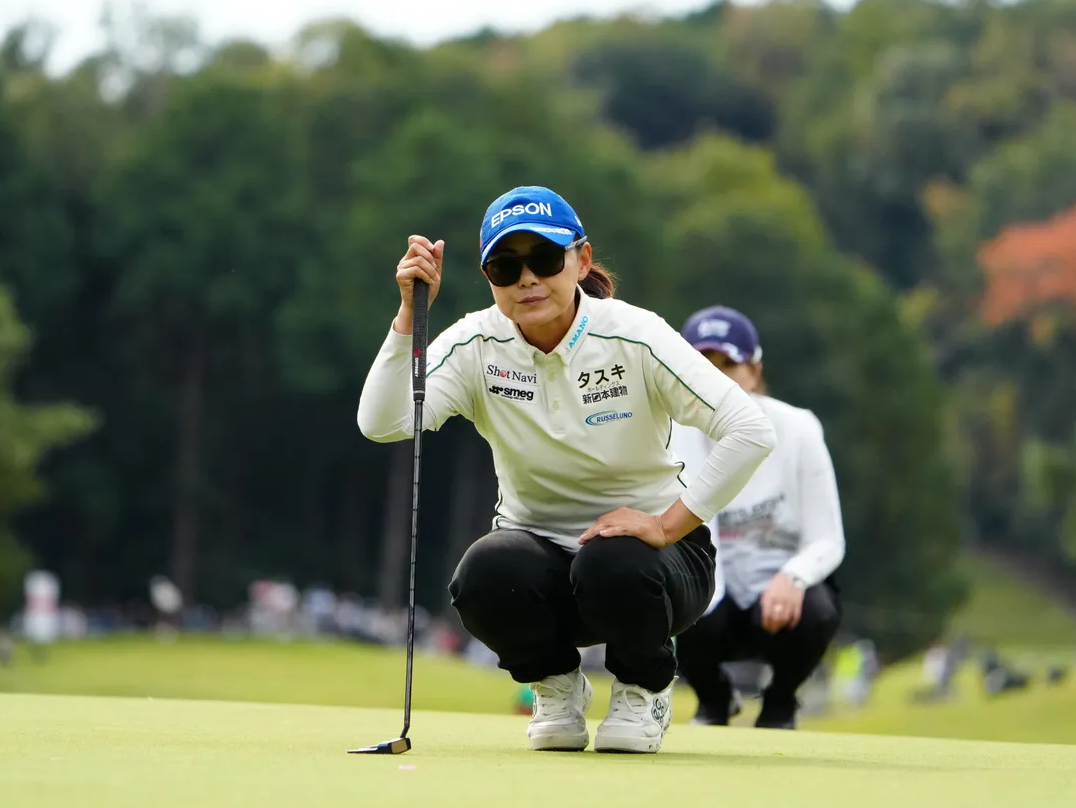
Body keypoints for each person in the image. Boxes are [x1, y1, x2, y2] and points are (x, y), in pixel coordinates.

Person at [357, 186, 778, 754]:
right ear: (488, 279)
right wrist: (411, 315)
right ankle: (556, 686)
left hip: (658, 569)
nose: (527, 279)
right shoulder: (476, 343)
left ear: (580, 260)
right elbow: (382, 422)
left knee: (613, 560)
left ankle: (644, 687)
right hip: (542, 567)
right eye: (506, 267)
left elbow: (750, 429)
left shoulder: (634, 333)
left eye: (545, 259)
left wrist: (666, 525)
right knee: (484, 573)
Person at [669, 305, 846, 730]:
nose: (716, 378)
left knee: (818, 609)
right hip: (710, 599)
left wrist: (794, 577)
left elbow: (828, 540)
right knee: (665, 594)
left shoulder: (799, 429)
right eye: (703, 365)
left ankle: (780, 702)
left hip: (778, 600)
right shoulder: (669, 434)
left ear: (754, 370)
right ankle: (714, 698)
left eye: (728, 365)